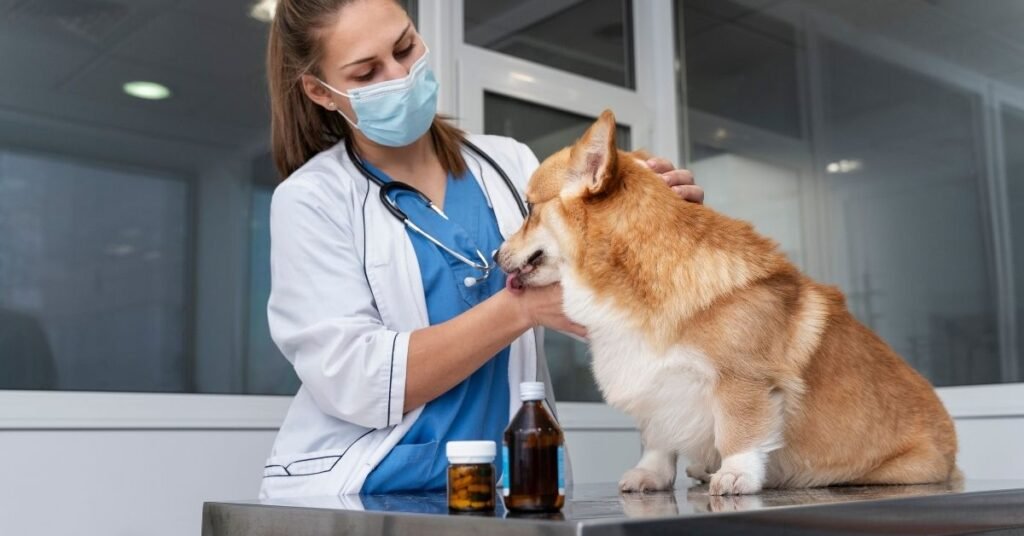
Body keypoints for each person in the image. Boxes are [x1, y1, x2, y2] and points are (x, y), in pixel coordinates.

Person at [260, 0, 703, 499]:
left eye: (406, 47)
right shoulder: (311, 200)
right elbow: (354, 380)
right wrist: (522, 308)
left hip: (515, 488)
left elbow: (599, 309)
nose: (401, 75)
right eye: (367, 73)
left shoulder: (511, 165)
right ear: (321, 91)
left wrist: (653, 225)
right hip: (377, 491)